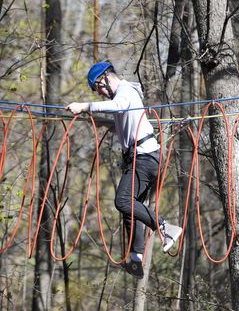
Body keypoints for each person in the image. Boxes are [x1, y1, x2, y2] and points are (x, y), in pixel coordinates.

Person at [66, 61, 182, 279]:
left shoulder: (126, 92)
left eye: (99, 87)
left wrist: (85, 105)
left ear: (107, 77)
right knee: (130, 209)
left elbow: (118, 106)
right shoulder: (121, 99)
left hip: (145, 158)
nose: (100, 93)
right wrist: (98, 121)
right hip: (141, 159)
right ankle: (136, 258)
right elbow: (121, 118)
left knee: (122, 201)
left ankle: (166, 227)